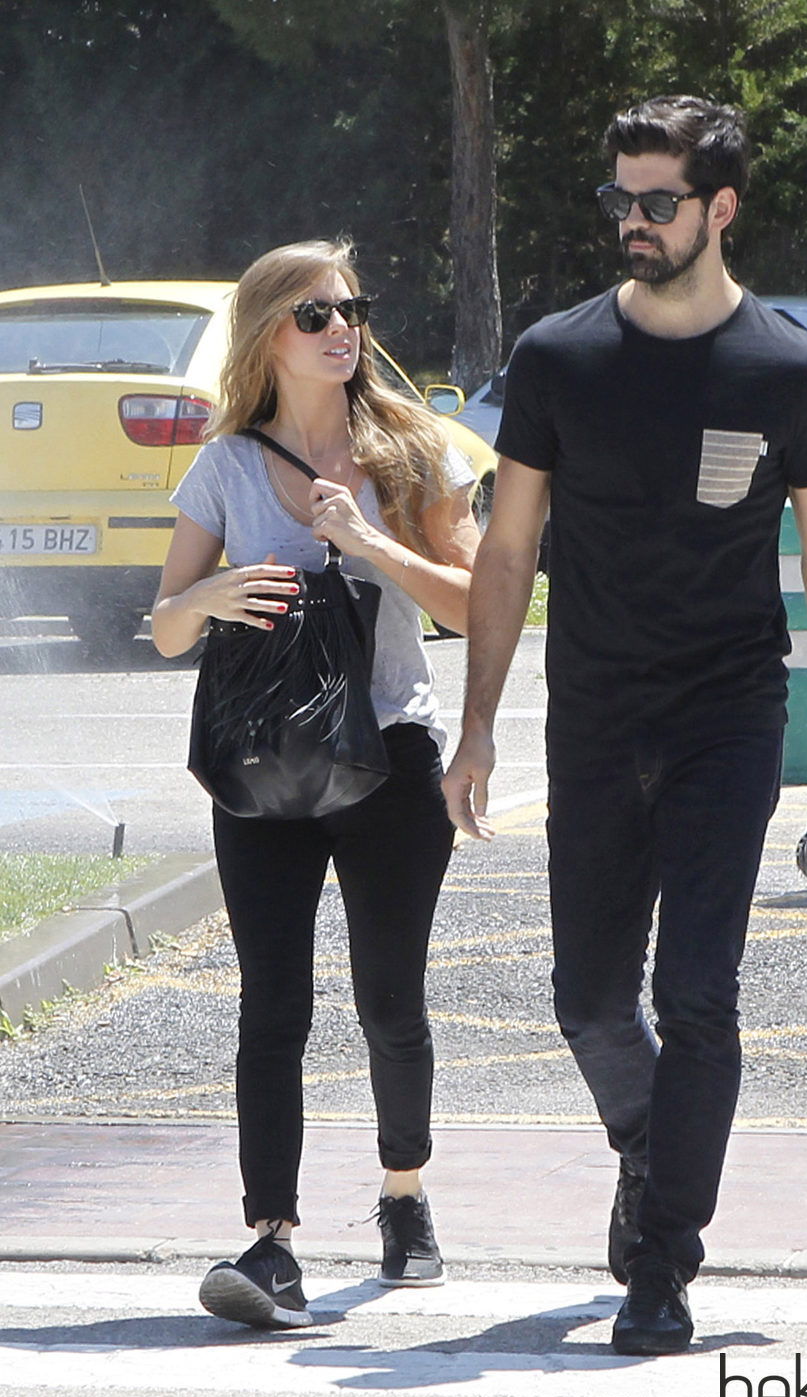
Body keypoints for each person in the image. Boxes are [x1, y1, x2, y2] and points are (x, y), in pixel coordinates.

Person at [442, 96, 807, 1356]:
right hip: (590, 716)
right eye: (617, 200)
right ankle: (649, 1150)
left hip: (723, 716)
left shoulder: (786, 371)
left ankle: (661, 1267)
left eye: (657, 203)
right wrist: (477, 727)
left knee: (696, 994)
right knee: (587, 1002)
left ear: (720, 209)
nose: (630, 223)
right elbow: (510, 546)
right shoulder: (554, 359)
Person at [152, 238, 480, 1328]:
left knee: (389, 996)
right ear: (266, 339)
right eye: (313, 315)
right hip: (262, 763)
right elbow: (160, 628)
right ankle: (271, 1241)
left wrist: (368, 543)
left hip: (389, 751)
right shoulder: (228, 465)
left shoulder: (414, 451)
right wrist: (216, 593)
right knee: (272, 1005)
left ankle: (404, 1194)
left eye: (351, 308)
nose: (341, 327)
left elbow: (481, 605)